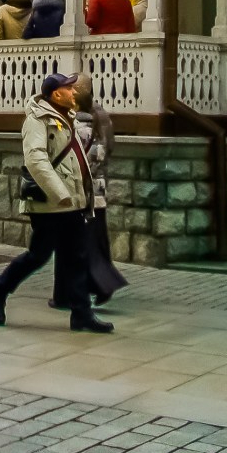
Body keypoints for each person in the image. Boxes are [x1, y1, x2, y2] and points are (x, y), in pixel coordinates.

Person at [0, 73, 113, 334]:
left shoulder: (67, 117)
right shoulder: (37, 120)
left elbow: (75, 160)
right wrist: (59, 193)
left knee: (77, 256)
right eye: (68, 88)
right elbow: (36, 160)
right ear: (56, 94)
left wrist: (81, 194)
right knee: (38, 255)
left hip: (72, 202)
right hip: (51, 203)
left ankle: (81, 315)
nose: (73, 92)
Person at [51, 74, 128, 309]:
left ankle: (77, 290)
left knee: (69, 242)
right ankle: (85, 288)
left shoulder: (72, 121)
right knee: (95, 240)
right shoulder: (101, 116)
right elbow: (110, 147)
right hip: (98, 189)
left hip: (77, 192)